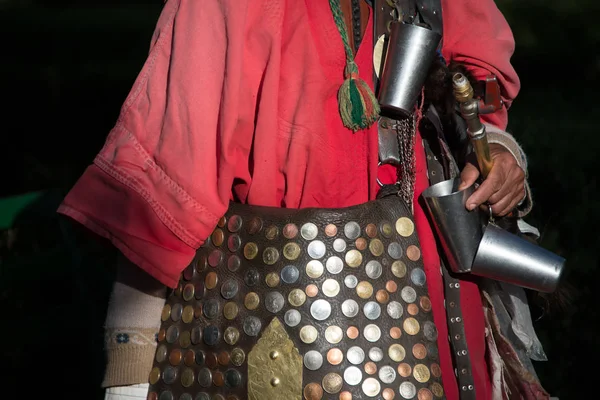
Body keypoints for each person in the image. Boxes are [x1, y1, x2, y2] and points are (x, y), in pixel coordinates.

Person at [58, 0, 550, 399]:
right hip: (281, 344)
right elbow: (160, 203)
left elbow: (480, 92)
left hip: (443, 309)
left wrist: (499, 152)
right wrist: (129, 378)